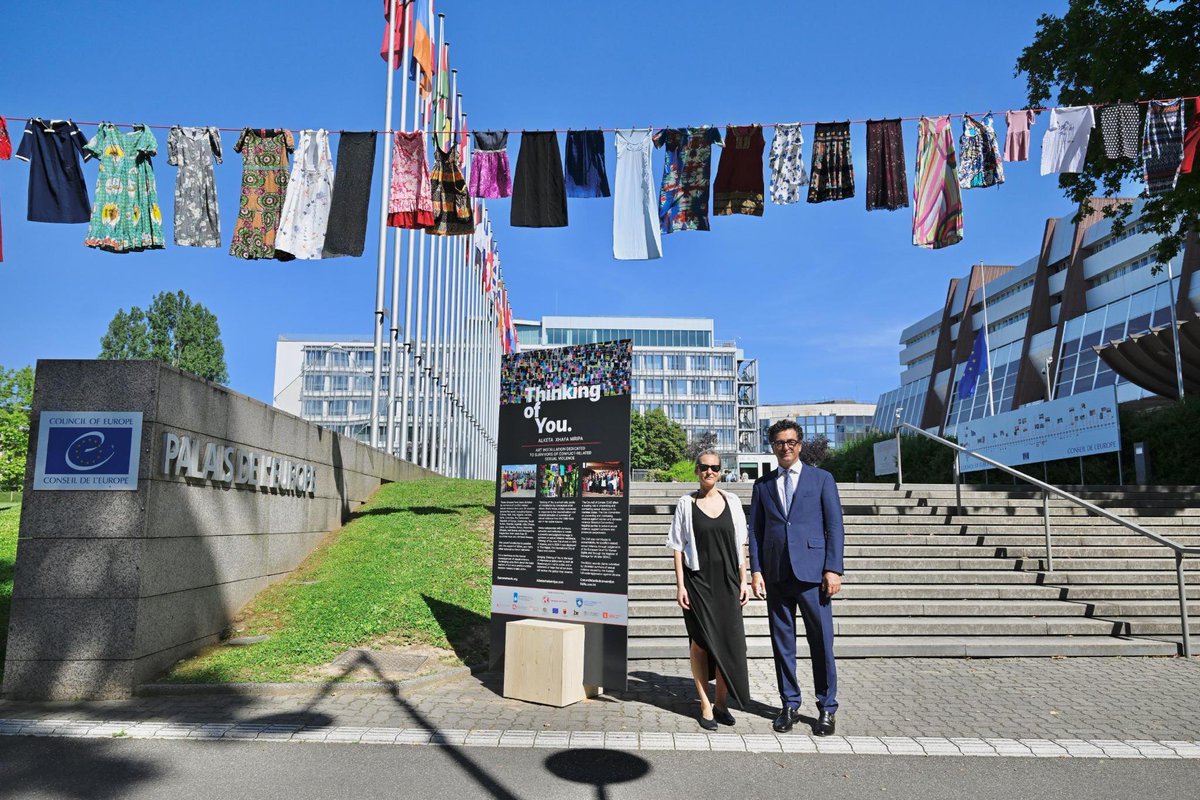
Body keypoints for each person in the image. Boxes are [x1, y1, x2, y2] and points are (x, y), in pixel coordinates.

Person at [748, 420, 845, 736]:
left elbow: (835, 526)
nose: (785, 447)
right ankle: (789, 704)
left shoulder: (821, 479)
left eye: (790, 442)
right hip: (777, 574)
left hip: (813, 573)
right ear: (772, 447)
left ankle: (826, 708)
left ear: (800, 445)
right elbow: (756, 532)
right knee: (782, 644)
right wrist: (756, 570)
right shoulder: (762, 486)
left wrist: (833, 568)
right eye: (779, 442)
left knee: (821, 642)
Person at [666, 449, 752, 731]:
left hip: (728, 583)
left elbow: (741, 542)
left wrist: (744, 579)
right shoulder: (685, 503)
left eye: (714, 467)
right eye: (704, 467)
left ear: (721, 470)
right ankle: (705, 704)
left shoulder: (733, 501)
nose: (709, 472)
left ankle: (721, 702)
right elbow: (677, 547)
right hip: (698, 582)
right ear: (696, 470)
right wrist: (680, 585)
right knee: (700, 643)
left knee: (729, 644)